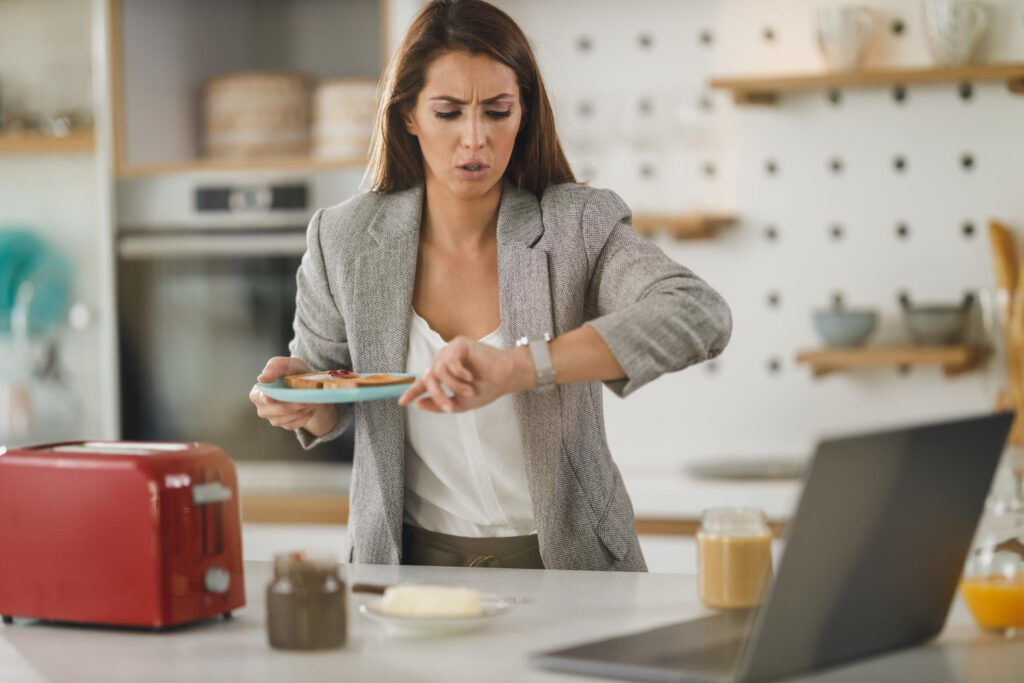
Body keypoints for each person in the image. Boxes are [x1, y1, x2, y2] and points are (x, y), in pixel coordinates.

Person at [250, 0, 731, 571]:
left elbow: (698, 313)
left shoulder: (576, 225)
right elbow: (330, 390)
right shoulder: (344, 238)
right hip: (406, 568)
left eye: (497, 111)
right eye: (448, 112)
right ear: (409, 115)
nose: (475, 139)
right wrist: (303, 406)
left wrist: (522, 368)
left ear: (523, 113)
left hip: (569, 565)